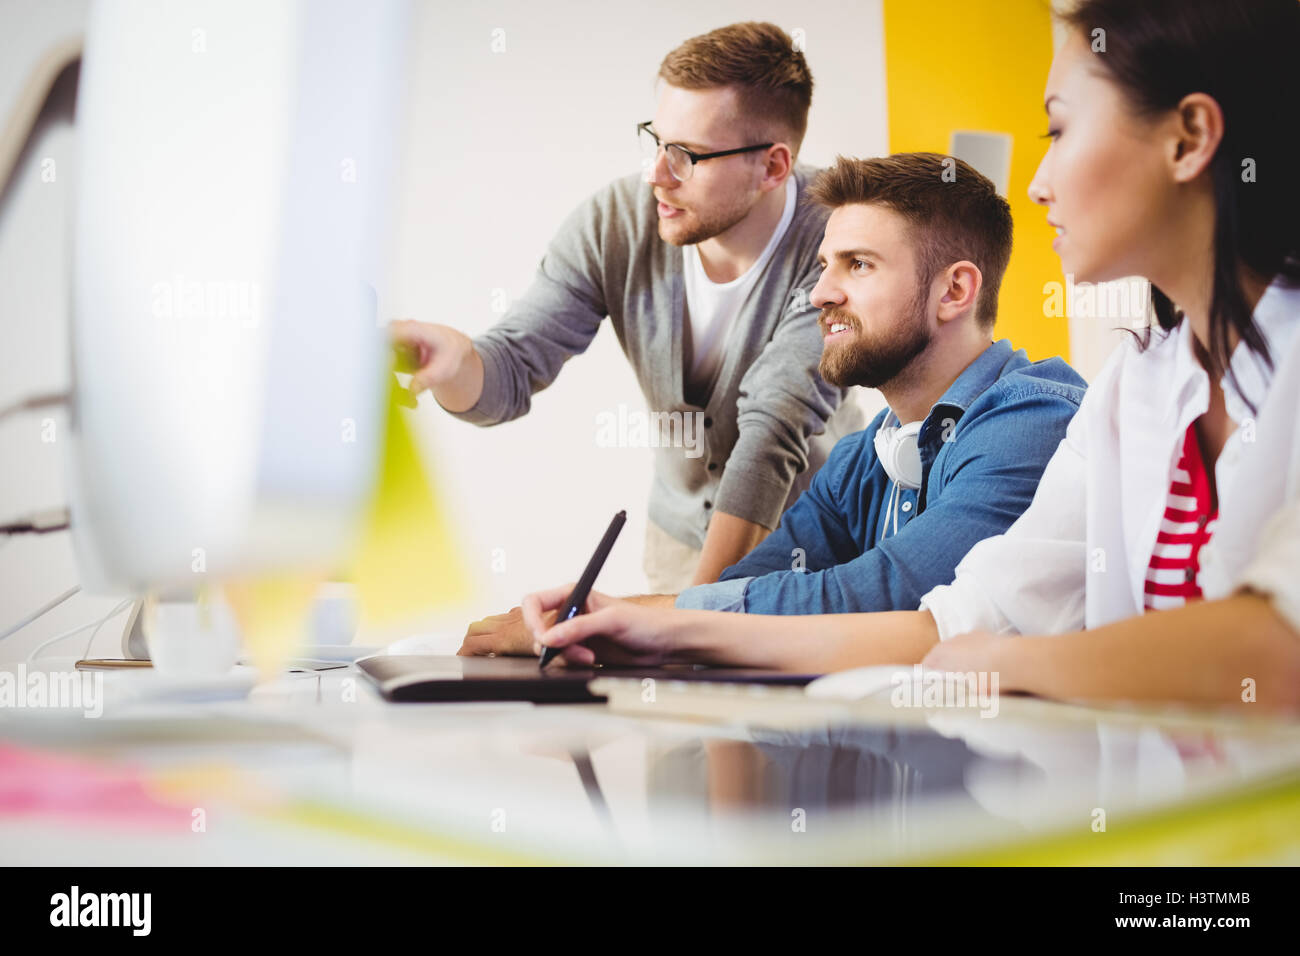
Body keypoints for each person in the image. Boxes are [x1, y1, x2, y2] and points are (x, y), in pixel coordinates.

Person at [519, 0, 1300, 713]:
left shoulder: (1038, 414)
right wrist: (648, 630)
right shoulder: (1131, 390)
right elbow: (958, 623)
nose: (1036, 184)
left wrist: (1015, 662)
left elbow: (1277, 652)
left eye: (1058, 131)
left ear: (1189, 137)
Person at [459, 153, 1086, 656]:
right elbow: (744, 588)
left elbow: (889, 594)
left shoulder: (1032, 423)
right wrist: (609, 631)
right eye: (822, 266)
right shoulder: (865, 456)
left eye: (858, 265)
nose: (820, 294)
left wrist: (632, 618)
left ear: (955, 290)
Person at [391, 22, 863, 594]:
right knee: (670, 685)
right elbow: (512, 367)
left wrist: (691, 618)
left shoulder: (841, 242)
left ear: (771, 166)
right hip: (680, 542)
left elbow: (774, 428)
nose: (657, 175)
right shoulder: (613, 223)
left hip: (817, 551)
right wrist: (460, 361)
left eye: (687, 155)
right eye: (656, 140)